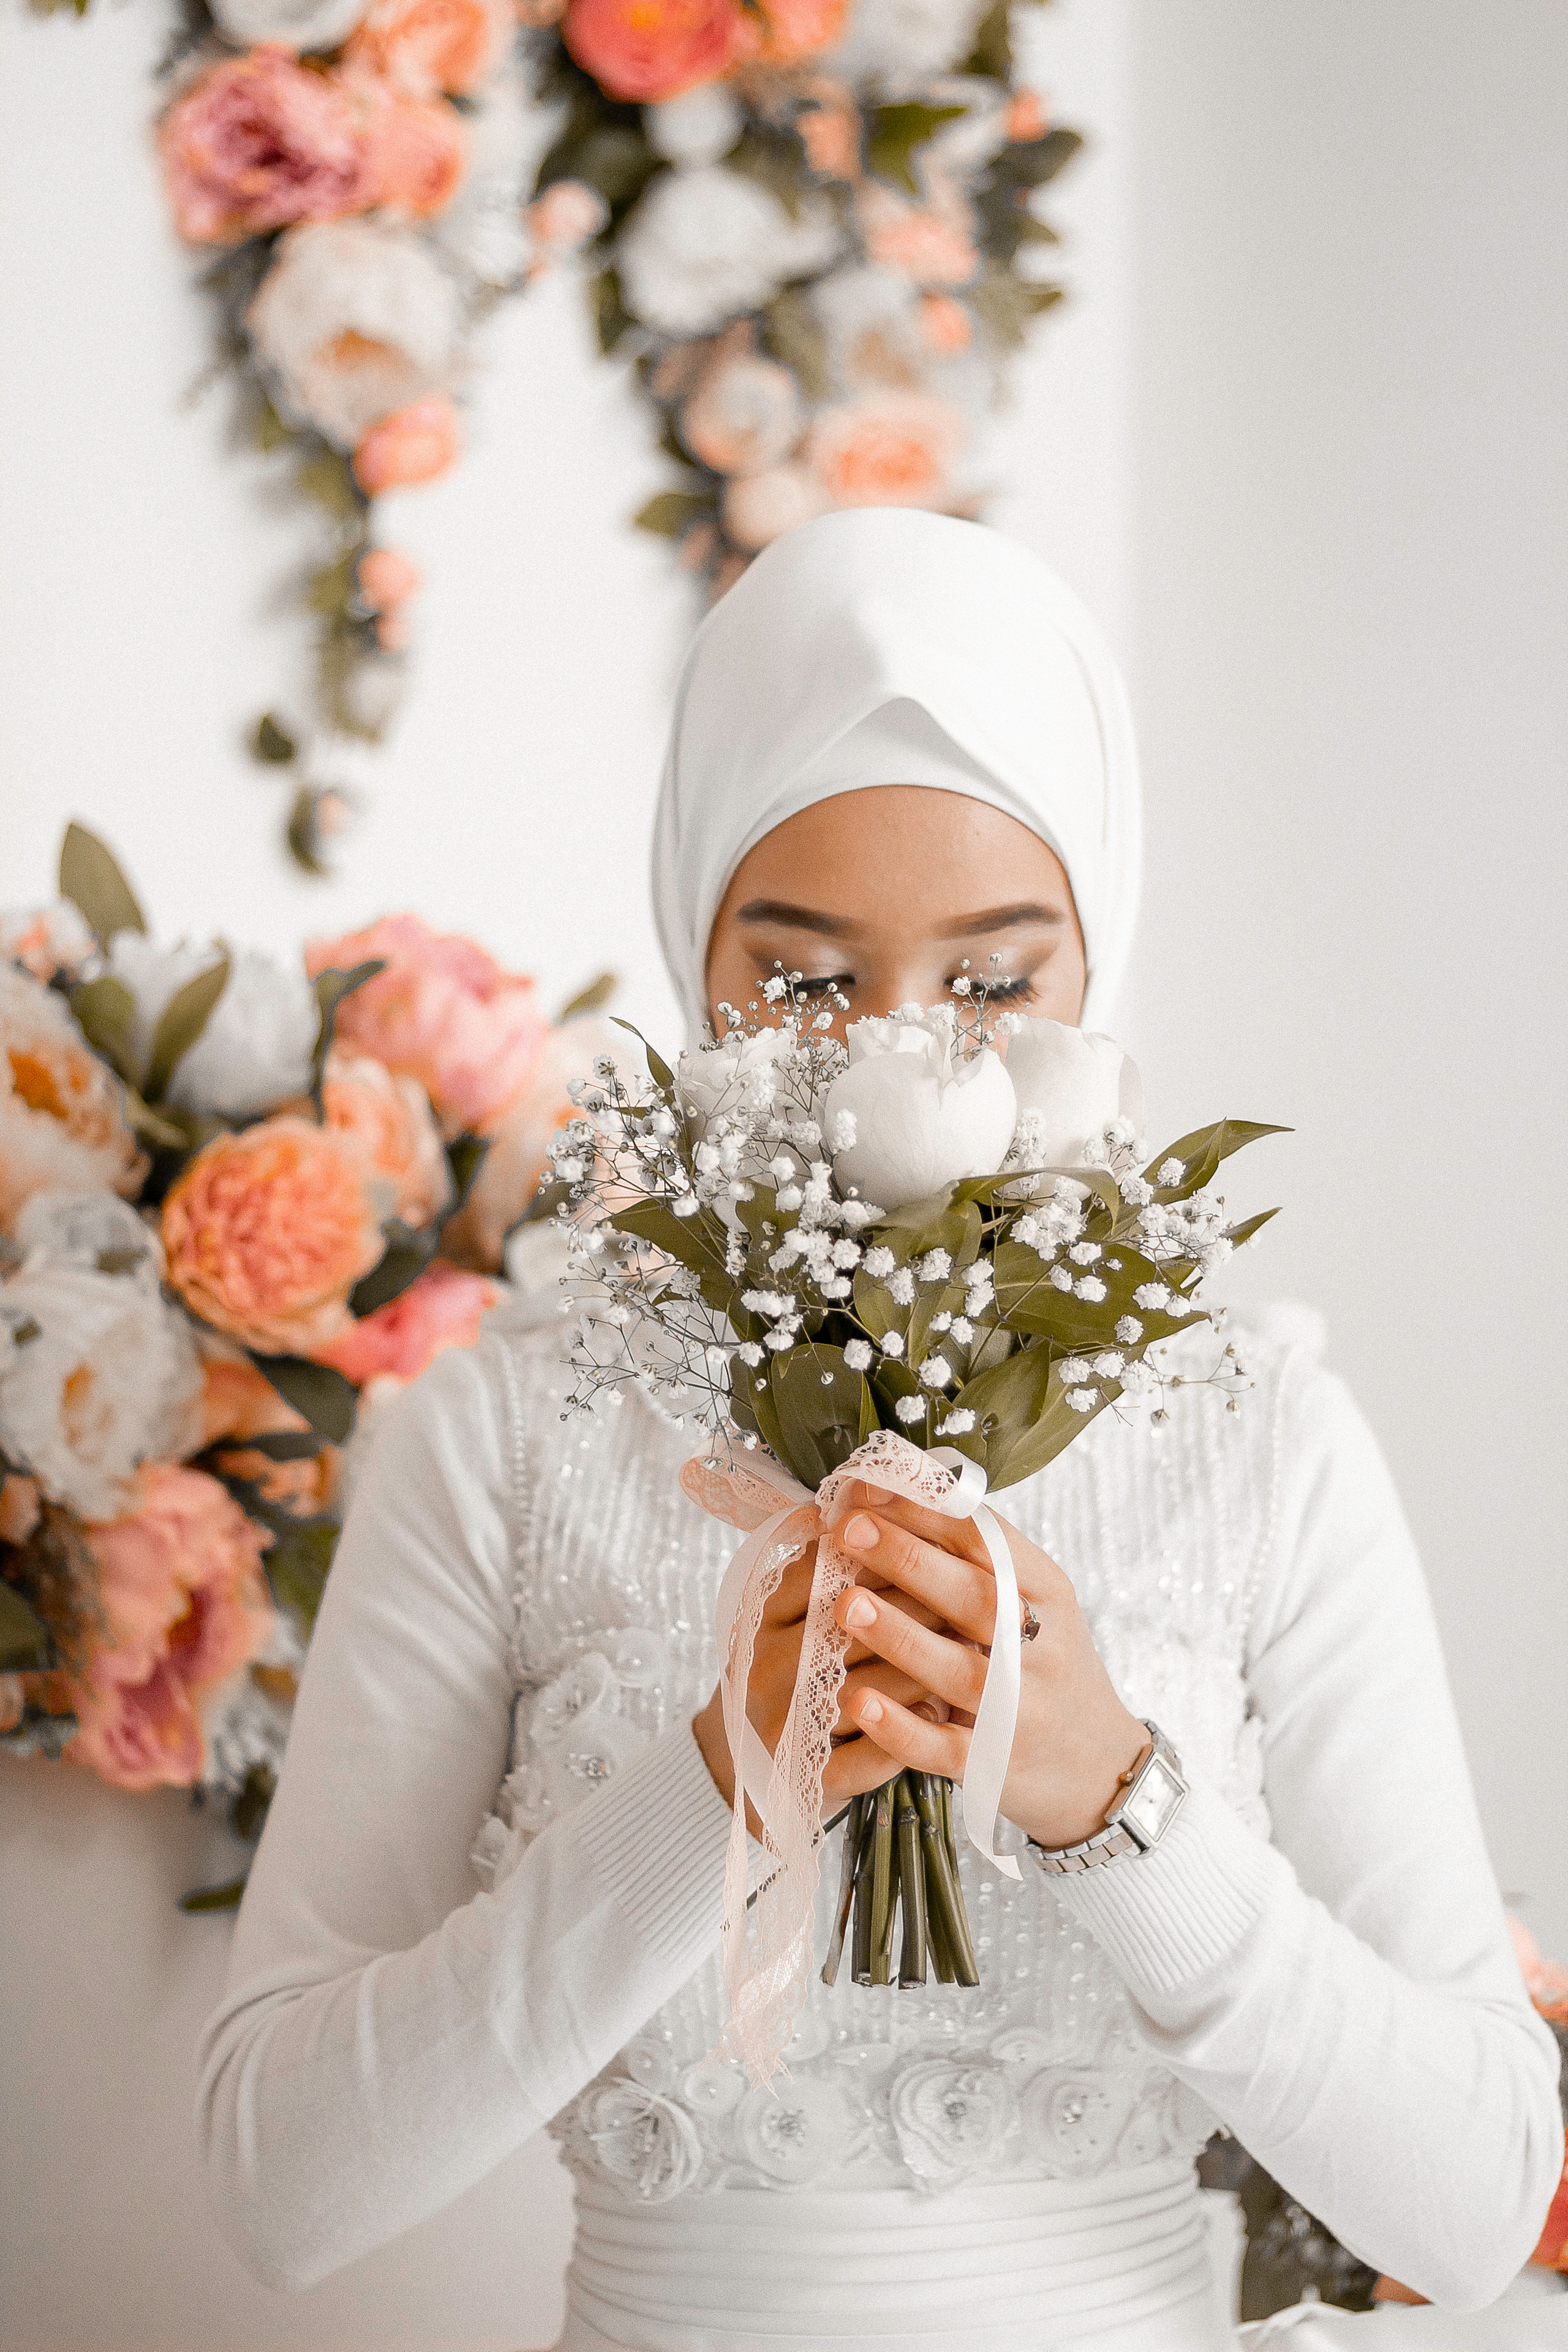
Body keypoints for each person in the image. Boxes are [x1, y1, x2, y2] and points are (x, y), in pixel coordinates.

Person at [196, 510, 1564, 2350]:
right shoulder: (507, 1433)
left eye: (995, 982)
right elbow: (280, 2187)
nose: (903, 1057)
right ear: (694, 957)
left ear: (1098, 969)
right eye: (807, 980)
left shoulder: (1260, 1433)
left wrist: (1120, 1808)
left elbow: (1479, 2205)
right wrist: (714, 1791)